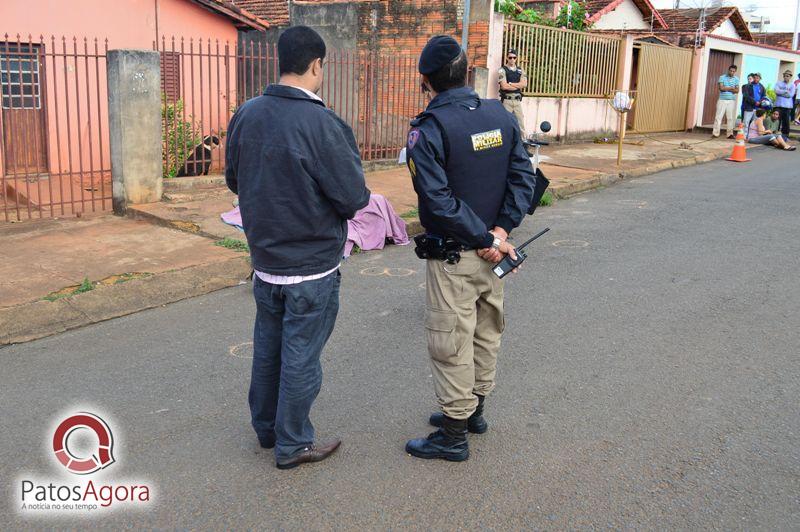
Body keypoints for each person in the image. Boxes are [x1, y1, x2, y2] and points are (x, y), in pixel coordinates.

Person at [225, 26, 370, 470]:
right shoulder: (323, 124)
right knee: (301, 354)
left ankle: (267, 429)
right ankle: (293, 443)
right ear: (315, 65)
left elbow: (235, 179)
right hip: (311, 267)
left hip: (266, 262)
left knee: (269, 348)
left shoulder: (247, 114)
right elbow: (352, 198)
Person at [403, 35, 537, 461]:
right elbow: (524, 178)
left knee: (451, 342)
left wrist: (483, 238)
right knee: (485, 334)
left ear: (426, 80)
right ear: (467, 73)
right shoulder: (499, 114)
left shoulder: (429, 129)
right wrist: (499, 233)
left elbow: (437, 202)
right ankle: (474, 412)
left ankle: (454, 435)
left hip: (459, 255)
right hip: (494, 253)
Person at [498, 48, 528, 135]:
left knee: (521, 125)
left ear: (516, 58)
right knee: (504, 124)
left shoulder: (520, 70)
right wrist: (518, 85)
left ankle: (523, 144)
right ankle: (504, 145)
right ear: (507, 58)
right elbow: (504, 86)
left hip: (517, 101)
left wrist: (510, 84)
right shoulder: (502, 70)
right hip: (507, 101)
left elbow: (524, 84)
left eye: (514, 57)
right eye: (510, 57)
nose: (512, 59)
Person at [712, 64, 739, 139]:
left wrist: (726, 88)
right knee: (718, 117)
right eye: (731, 71)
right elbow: (721, 88)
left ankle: (730, 134)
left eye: (733, 71)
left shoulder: (736, 79)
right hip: (722, 100)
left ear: (735, 71)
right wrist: (731, 88)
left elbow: (737, 90)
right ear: (728, 70)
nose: (732, 72)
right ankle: (715, 133)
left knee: (730, 118)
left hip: (731, 101)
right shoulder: (722, 77)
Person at [742, 73, 766, 139]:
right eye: (755, 77)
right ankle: (743, 136)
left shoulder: (762, 87)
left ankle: (752, 136)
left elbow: (764, 96)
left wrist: (760, 102)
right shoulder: (748, 86)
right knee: (746, 122)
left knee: (755, 123)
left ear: (760, 79)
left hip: (758, 108)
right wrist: (755, 102)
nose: (756, 79)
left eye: (757, 78)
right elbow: (746, 96)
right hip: (749, 107)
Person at [774, 70, 796, 140]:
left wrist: (781, 93)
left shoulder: (792, 85)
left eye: (788, 76)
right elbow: (776, 91)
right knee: (777, 121)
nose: (786, 77)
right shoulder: (778, 83)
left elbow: (791, 95)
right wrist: (785, 91)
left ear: (790, 77)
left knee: (786, 122)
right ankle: (775, 134)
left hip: (787, 106)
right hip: (778, 106)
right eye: (785, 76)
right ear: (783, 76)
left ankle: (785, 136)